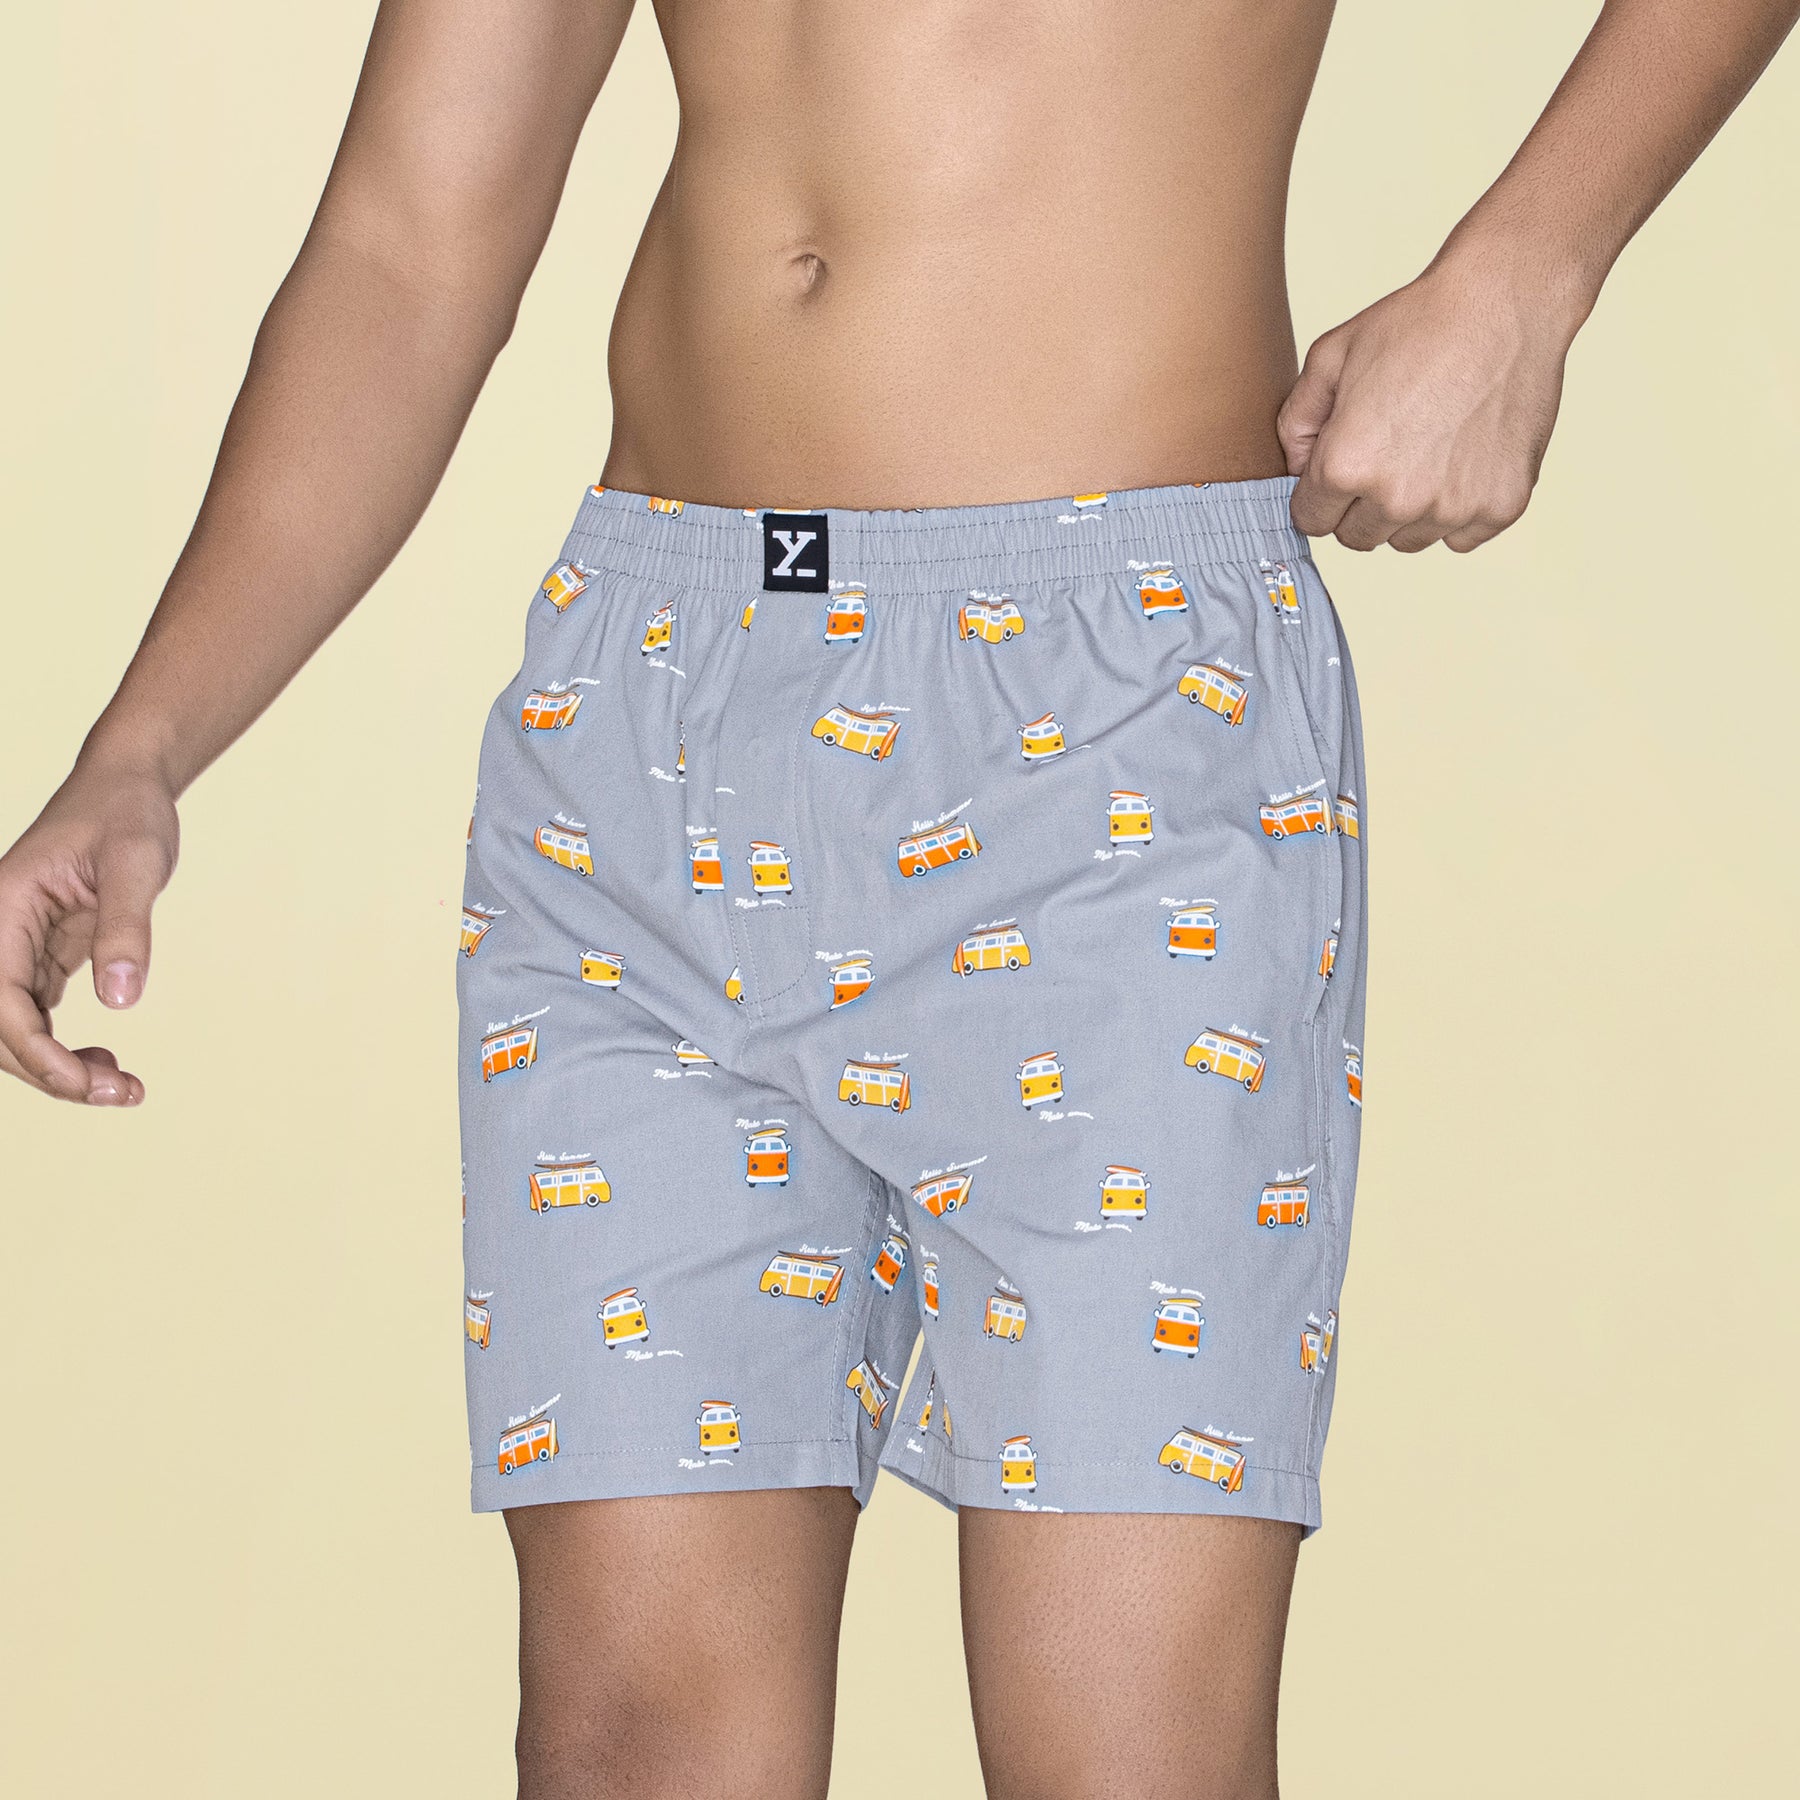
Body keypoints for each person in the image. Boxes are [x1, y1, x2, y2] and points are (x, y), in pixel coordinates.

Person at [2, 3, 1793, 1795]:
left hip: (1113, 736)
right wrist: (143, 744)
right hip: (652, 712)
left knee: (1128, 1762)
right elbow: (411, 233)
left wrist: (1527, 271)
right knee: (634, 1747)